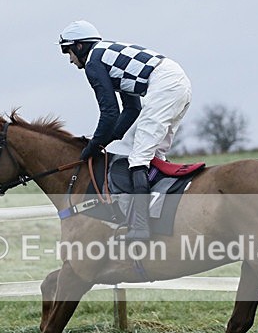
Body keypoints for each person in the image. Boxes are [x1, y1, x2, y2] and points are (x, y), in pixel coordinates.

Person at [59, 20, 192, 240]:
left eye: (68, 51)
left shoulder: (93, 62)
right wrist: (107, 139)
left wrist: (93, 146)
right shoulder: (108, 56)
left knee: (139, 158)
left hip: (165, 85)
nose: (70, 59)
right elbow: (131, 109)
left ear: (79, 46)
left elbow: (109, 112)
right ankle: (160, 215)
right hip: (178, 83)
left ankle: (140, 227)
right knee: (156, 156)